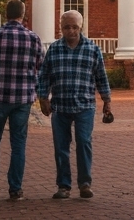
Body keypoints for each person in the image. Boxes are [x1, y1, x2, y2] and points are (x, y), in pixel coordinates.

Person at [0, 0, 44, 201]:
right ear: (23, 14)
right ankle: (15, 189)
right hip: (23, 98)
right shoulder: (33, 38)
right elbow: (41, 65)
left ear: (6, 13)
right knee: (18, 143)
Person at [37, 10, 112, 200]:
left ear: (81, 27)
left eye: (74, 27)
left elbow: (101, 77)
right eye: (66, 27)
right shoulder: (54, 49)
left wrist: (107, 101)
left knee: (84, 143)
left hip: (85, 105)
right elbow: (44, 75)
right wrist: (43, 98)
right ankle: (64, 186)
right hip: (60, 106)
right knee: (61, 147)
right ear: (61, 28)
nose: (71, 31)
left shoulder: (92, 49)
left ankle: (85, 183)